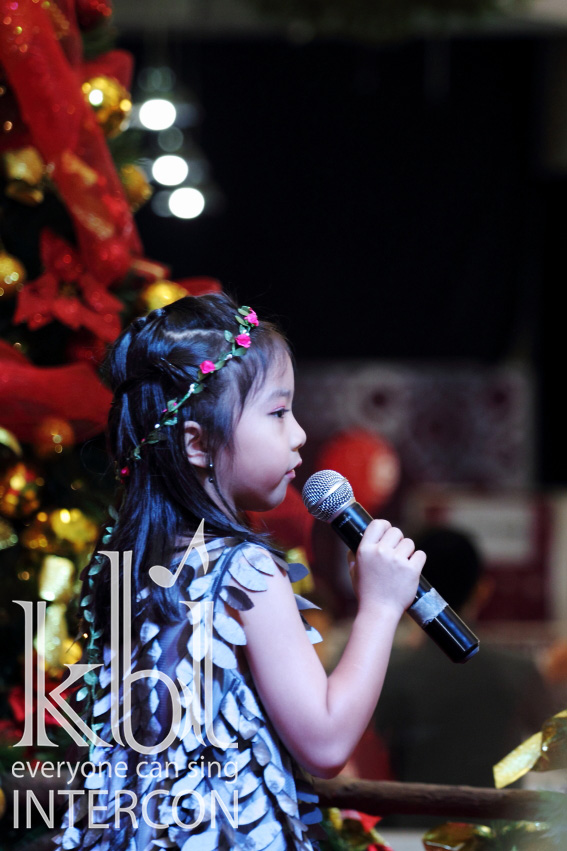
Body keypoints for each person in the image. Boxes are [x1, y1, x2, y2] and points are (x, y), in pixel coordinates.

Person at [53, 293, 425, 851]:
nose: (299, 434)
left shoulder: (126, 567)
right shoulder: (243, 570)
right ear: (197, 442)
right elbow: (325, 744)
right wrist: (381, 605)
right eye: (278, 413)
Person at [373, 527, 555, 828]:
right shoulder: (518, 671)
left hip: (411, 831)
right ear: (482, 589)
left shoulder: (388, 672)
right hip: (499, 833)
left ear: (409, 586)